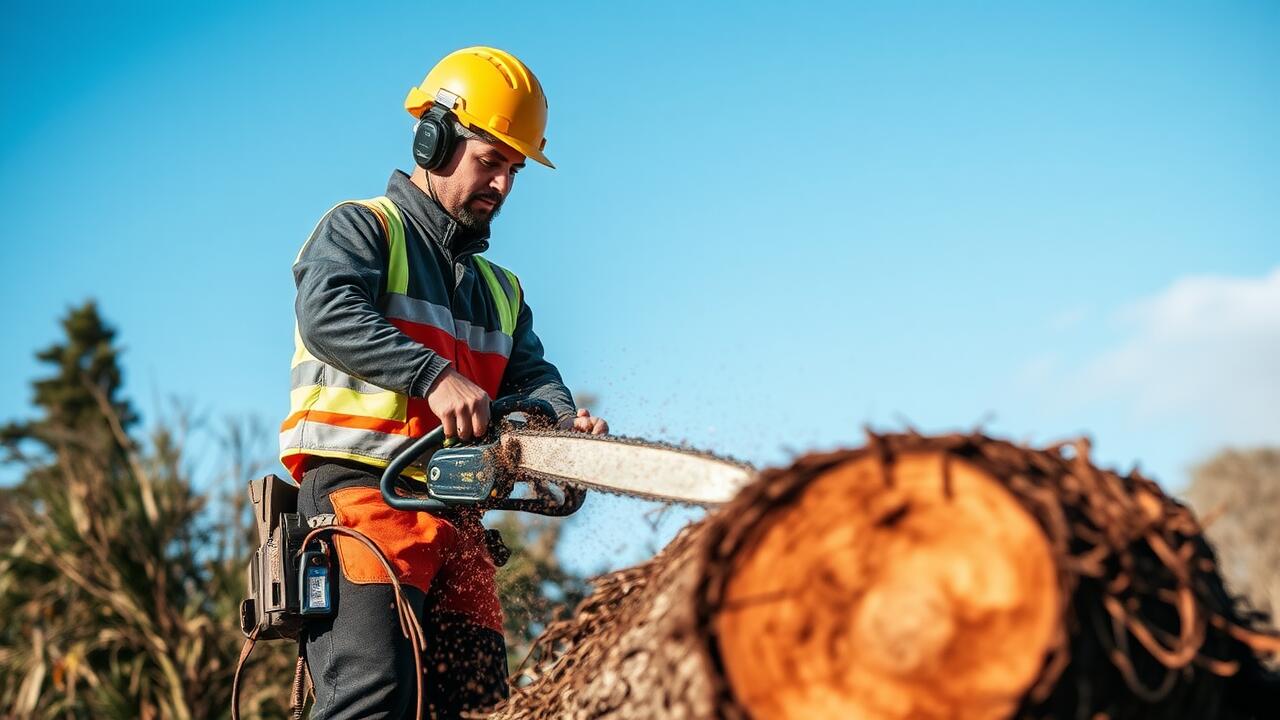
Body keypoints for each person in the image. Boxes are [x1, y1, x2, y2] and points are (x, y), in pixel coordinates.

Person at [278, 46, 607, 719]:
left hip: (458, 516)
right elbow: (327, 311)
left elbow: (534, 375)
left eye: (514, 170)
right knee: (373, 698)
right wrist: (434, 376)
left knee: (482, 707)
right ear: (435, 138)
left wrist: (562, 425)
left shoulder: (501, 290)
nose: (503, 186)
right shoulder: (363, 228)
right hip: (363, 501)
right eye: (491, 161)